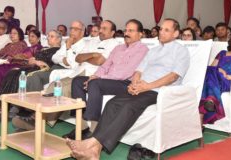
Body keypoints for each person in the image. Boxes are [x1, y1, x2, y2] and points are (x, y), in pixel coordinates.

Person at [66, 18, 190, 160]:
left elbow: (172, 77)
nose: (161, 32)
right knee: (112, 103)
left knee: (128, 106)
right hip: (141, 87)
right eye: (161, 29)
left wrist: (146, 86)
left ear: (176, 34)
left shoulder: (181, 51)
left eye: (166, 30)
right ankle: (95, 151)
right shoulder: (154, 51)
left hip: (159, 90)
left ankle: (91, 143)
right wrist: (134, 84)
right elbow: (138, 71)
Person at [62, 19, 148, 139]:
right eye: (126, 30)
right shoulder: (119, 48)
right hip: (107, 79)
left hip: (124, 82)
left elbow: (125, 73)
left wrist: (98, 78)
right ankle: (81, 126)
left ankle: (94, 130)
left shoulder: (142, 49)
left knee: (95, 84)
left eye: (131, 31)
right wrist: (95, 75)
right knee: (77, 81)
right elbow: (105, 65)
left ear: (140, 34)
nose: (127, 33)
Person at [5, 30, 62, 132]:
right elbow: (35, 59)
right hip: (35, 66)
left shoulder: (58, 50)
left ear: (58, 39)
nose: (49, 38)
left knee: (29, 76)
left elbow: (50, 64)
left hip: (44, 70)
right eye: (48, 36)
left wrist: (38, 62)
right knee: (13, 73)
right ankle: (12, 107)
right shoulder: (45, 48)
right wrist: (32, 60)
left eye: (52, 36)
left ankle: (27, 112)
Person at [26, 21, 86, 92]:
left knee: (35, 77)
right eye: (71, 28)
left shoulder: (84, 46)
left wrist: (68, 49)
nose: (72, 31)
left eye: (75, 29)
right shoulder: (66, 43)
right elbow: (54, 58)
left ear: (82, 32)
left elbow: (72, 64)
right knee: (29, 77)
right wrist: (64, 60)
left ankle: (36, 101)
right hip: (55, 69)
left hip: (67, 72)